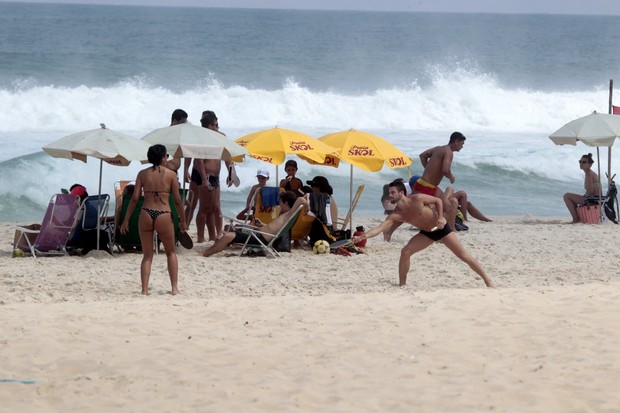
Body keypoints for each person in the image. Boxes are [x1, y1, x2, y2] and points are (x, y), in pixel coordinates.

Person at [353, 180, 495, 288]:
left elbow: (438, 200)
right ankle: (402, 285)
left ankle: (487, 280)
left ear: (401, 193)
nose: (390, 195)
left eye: (392, 192)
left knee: (464, 256)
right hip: (427, 234)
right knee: (405, 252)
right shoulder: (396, 214)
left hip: (442, 229)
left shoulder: (417, 199)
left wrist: (440, 216)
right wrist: (363, 236)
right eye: (389, 193)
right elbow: (379, 228)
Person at [120, 144, 187, 296]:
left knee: (147, 255)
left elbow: (135, 198)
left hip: (146, 213)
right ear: (164, 157)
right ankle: (174, 288)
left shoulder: (142, 174)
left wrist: (125, 220)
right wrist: (183, 221)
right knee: (171, 252)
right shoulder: (171, 175)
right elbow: (177, 200)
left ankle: (144, 290)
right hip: (163, 213)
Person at [202, 191, 308, 257]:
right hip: (258, 234)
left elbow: (301, 199)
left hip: (259, 238)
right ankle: (209, 250)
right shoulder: (284, 216)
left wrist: (307, 206)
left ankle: (206, 253)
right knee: (229, 230)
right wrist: (261, 224)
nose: (279, 205)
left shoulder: (288, 214)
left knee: (227, 236)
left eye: (280, 202)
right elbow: (271, 228)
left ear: (286, 203)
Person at [414, 132, 467, 230]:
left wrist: (428, 168)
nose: (462, 146)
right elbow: (445, 170)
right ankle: (441, 230)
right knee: (447, 208)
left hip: (425, 184)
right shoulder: (449, 152)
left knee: (445, 206)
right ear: (456, 142)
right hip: (427, 187)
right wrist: (451, 177)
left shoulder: (438, 148)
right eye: (462, 144)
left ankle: (447, 228)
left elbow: (422, 155)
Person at [194, 110, 232, 242]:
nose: (218, 127)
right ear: (210, 126)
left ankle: (214, 235)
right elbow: (199, 160)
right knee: (204, 208)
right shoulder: (202, 140)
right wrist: (204, 179)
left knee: (214, 207)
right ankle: (200, 237)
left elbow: (227, 156)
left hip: (215, 176)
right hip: (206, 176)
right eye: (216, 125)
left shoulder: (219, 137)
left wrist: (231, 172)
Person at [563, 153, 601, 223]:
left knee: (566, 196)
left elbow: (591, 191)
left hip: (593, 200)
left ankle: (576, 219)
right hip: (596, 199)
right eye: (580, 161)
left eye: (584, 162)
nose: (581, 163)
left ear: (590, 164)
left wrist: (585, 195)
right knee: (570, 197)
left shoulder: (589, 174)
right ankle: (577, 218)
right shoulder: (590, 173)